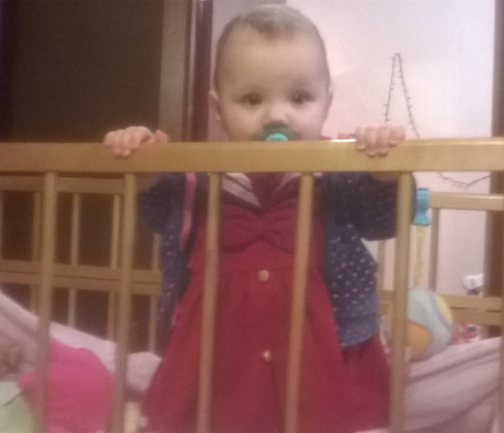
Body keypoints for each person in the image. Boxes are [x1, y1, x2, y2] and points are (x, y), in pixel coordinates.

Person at [103, 6, 405, 433]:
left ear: (327, 102)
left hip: (324, 351)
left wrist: (383, 170)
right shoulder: (200, 175)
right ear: (218, 108)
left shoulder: (337, 171)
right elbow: (158, 213)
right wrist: (145, 165)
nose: (277, 116)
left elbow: (381, 220)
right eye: (251, 99)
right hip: (218, 352)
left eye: (299, 98)